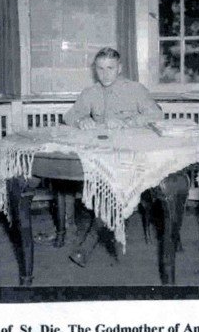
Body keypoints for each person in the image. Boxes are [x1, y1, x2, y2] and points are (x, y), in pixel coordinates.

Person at [61, 47, 163, 266]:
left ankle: (87, 245)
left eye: (110, 68)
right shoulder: (91, 93)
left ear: (120, 68)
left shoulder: (135, 89)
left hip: (131, 158)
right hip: (102, 158)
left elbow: (157, 114)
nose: (105, 74)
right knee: (101, 182)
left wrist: (127, 123)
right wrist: (81, 121)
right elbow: (69, 116)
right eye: (100, 68)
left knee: (114, 186)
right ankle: (77, 231)